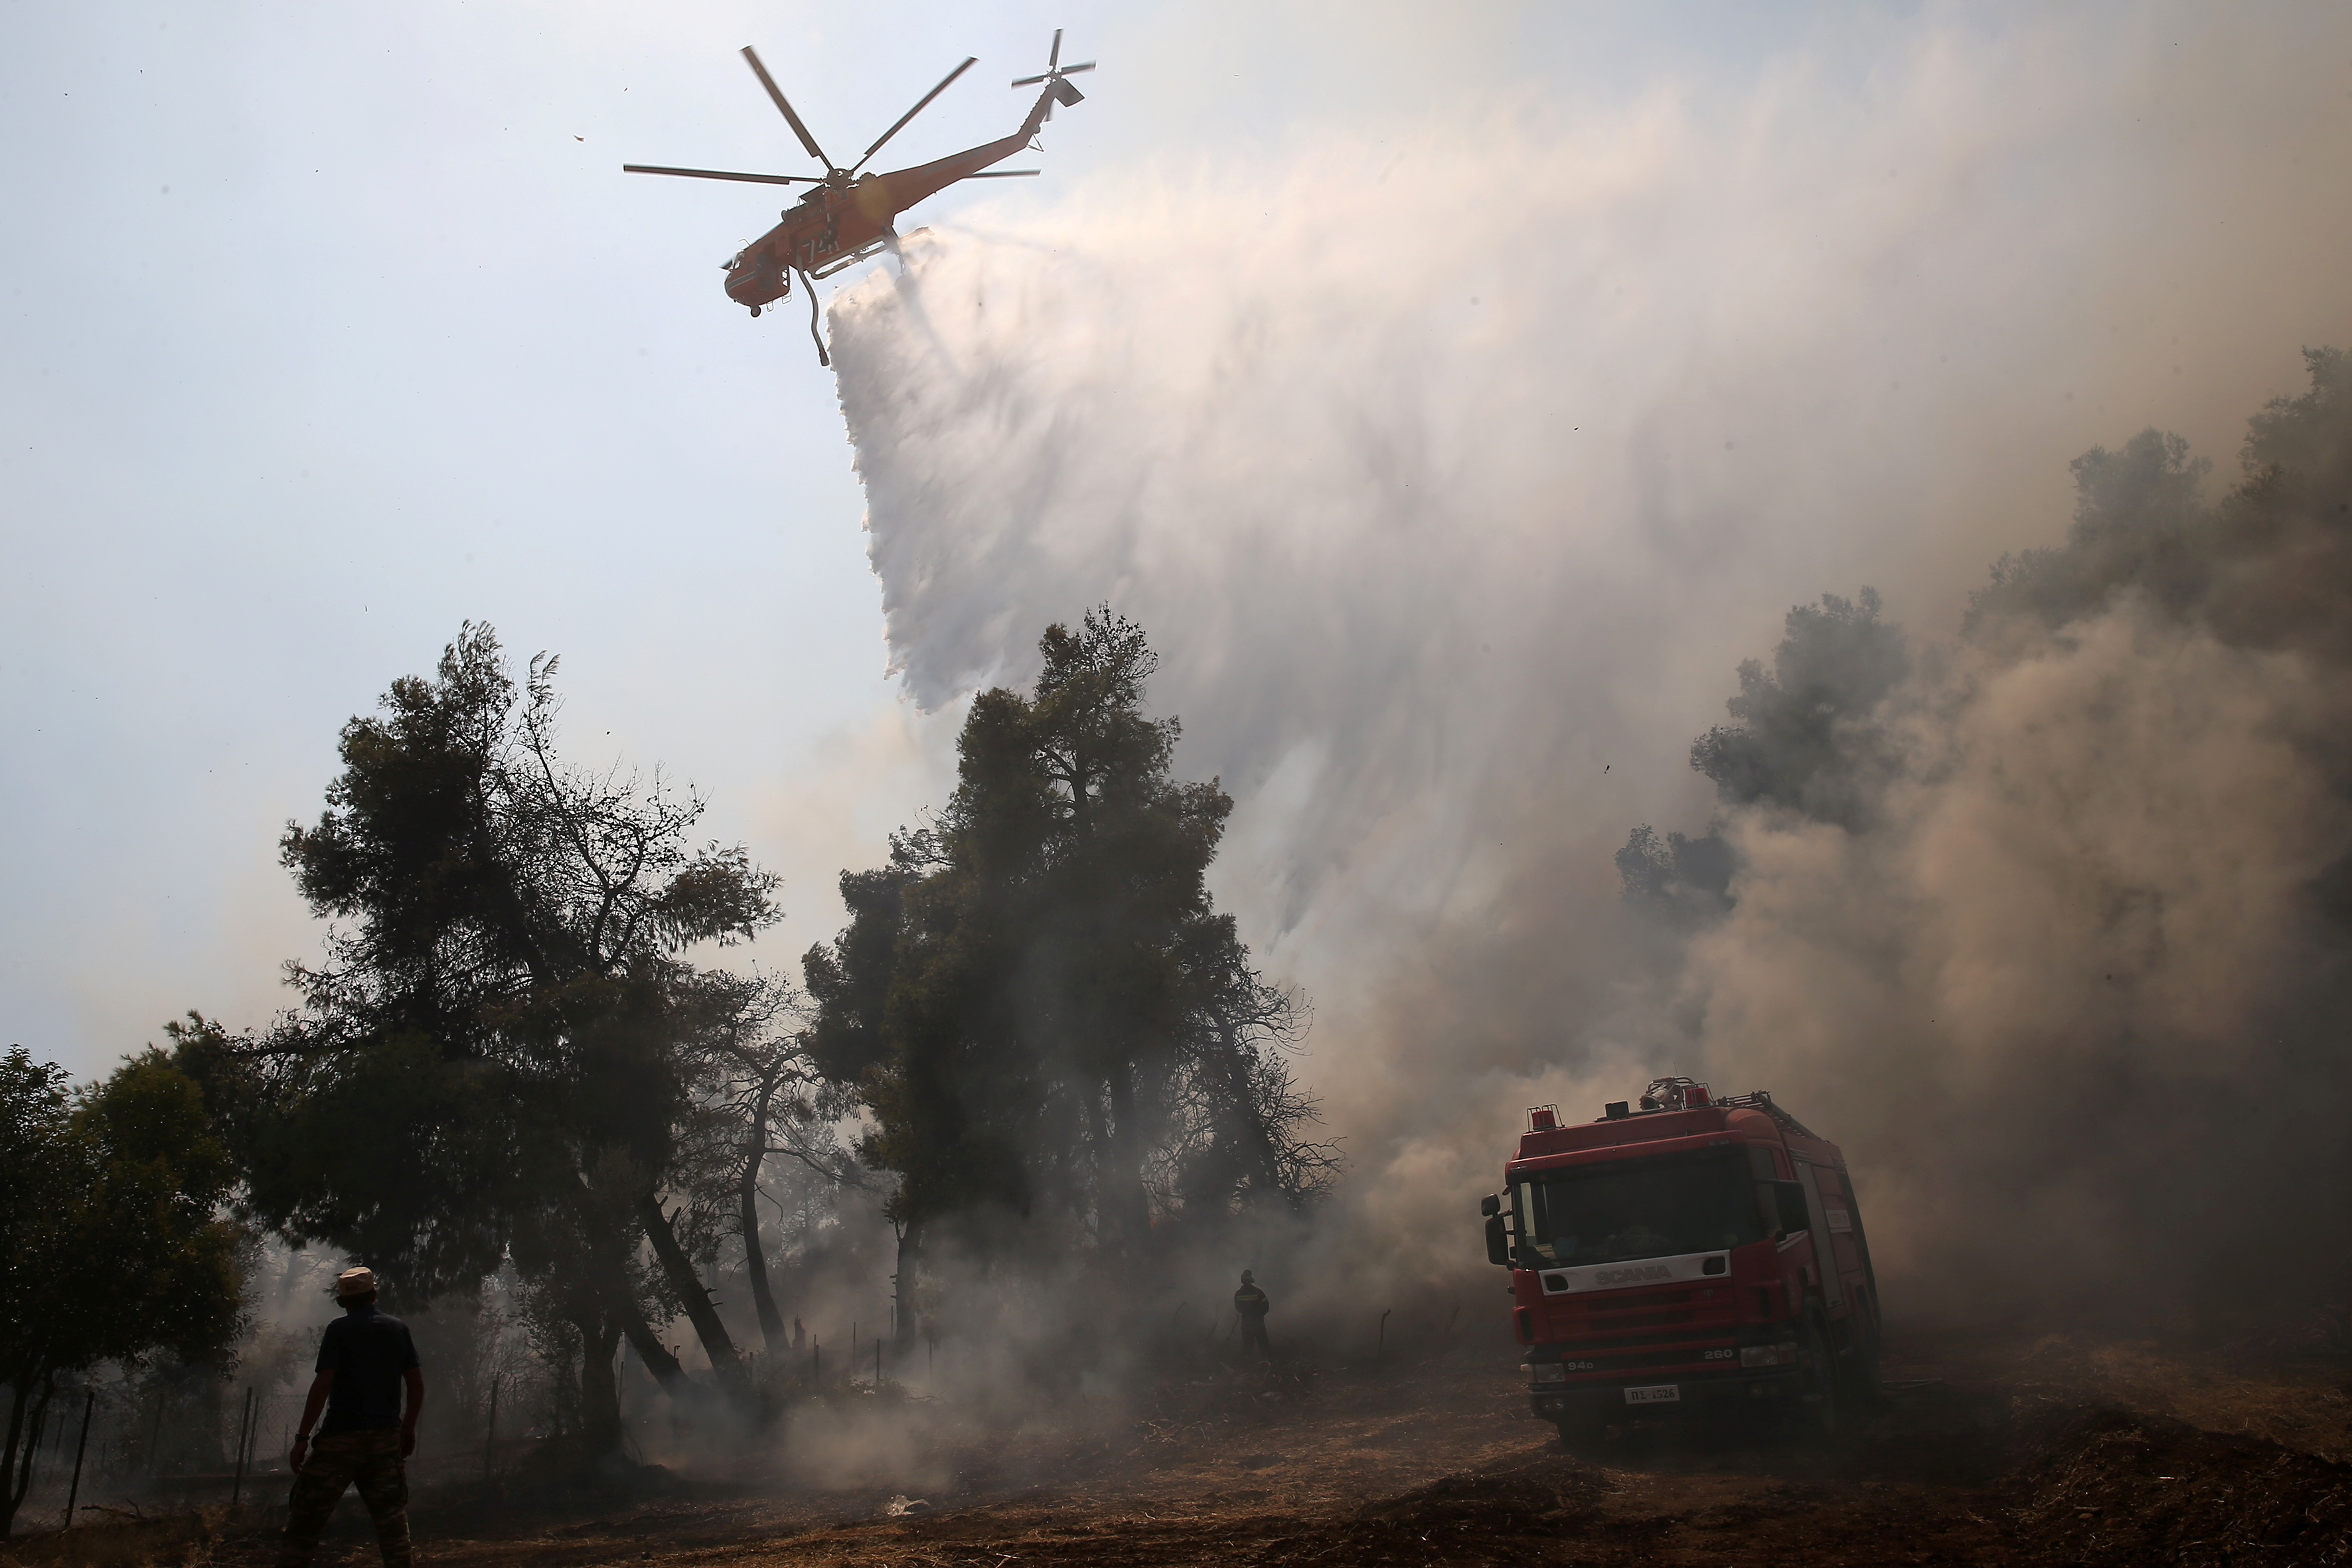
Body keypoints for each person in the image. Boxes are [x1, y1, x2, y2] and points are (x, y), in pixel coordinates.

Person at [279, 1267, 424, 1568]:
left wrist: (302, 1438)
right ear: (374, 1295)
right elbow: (416, 1385)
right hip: (385, 1440)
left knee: (305, 1522)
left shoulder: (338, 1330)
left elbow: (323, 1385)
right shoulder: (398, 1329)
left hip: (340, 1440)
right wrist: (407, 1428)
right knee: (393, 1528)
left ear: (344, 1303)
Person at [1233, 1270, 1271, 1358]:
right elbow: (1266, 1305)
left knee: (1247, 1347)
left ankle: (1248, 1366)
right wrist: (1260, 1315)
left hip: (1246, 1324)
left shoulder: (1238, 1294)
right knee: (1263, 1345)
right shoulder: (1258, 1292)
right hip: (1258, 1323)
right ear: (1251, 1280)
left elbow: (1238, 1309)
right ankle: (1266, 1364)